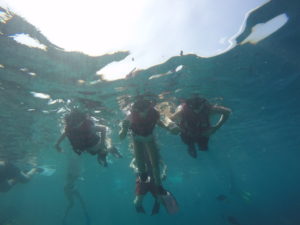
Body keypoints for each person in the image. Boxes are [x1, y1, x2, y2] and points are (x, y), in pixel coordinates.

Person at [119, 96, 177, 196]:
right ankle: (143, 175)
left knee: (155, 165)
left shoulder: (154, 113)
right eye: (139, 109)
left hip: (149, 138)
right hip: (137, 139)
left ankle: (159, 186)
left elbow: (161, 122)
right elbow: (121, 137)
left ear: (149, 107)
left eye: (145, 109)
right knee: (141, 164)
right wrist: (124, 129)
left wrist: (170, 128)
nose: (142, 113)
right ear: (135, 109)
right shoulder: (130, 116)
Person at [55, 109, 122, 167]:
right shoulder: (70, 127)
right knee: (97, 151)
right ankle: (103, 155)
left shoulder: (88, 127)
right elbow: (65, 133)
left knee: (104, 148)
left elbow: (103, 128)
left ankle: (110, 147)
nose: (75, 125)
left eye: (77, 123)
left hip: (95, 144)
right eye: (73, 124)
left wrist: (102, 144)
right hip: (89, 147)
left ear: (82, 121)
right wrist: (57, 144)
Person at [63, 155, 90, 225]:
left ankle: (87, 217)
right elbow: (72, 176)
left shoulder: (76, 167)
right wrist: (79, 177)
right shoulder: (70, 169)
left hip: (73, 187)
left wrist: (79, 176)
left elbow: (77, 176)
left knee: (82, 201)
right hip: (67, 188)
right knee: (72, 204)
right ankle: (64, 217)